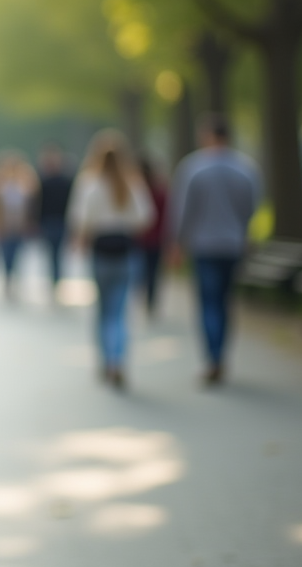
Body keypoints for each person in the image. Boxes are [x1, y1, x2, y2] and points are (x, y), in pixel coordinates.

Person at [167, 114, 262, 387]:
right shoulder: (246, 169)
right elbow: (252, 207)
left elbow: (182, 210)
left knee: (208, 302)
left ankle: (213, 357)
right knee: (224, 301)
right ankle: (221, 354)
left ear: (207, 136)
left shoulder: (192, 168)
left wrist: (177, 242)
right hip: (232, 244)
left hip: (203, 245)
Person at [68, 130, 152, 390]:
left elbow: (79, 219)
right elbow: (145, 218)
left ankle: (106, 360)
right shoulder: (132, 183)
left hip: (101, 250)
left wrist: (81, 242)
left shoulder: (89, 183)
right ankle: (118, 359)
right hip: (125, 250)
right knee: (119, 310)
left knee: (103, 310)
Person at [0, 149, 38, 300]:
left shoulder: (26, 182)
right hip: (3, 225)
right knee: (5, 253)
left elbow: (31, 206)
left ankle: (13, 277)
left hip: (19, 225)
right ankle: (7, 279)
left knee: (16, 253)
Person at [36, 142, 74, 296]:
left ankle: (57, 279)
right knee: (53, 253)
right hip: (49, 221)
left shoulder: (66, 181)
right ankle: (55, 279)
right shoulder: (42, 181)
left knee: (57, 253)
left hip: (60, 221)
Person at [136, 155, 168, 317]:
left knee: (140, 271)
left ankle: (140, 296)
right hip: (156, 239)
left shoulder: (135, 191)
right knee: (153, 272)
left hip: (139, 239)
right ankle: (151, 300)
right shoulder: (160, 191)